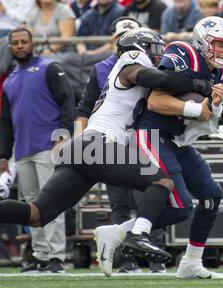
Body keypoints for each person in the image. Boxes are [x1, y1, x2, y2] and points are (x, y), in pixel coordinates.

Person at [0, 27, 211, 277]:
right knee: (161, 181)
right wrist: (199, 84)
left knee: (38, 214)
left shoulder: (128, 74)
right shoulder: (130, 61)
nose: (158, 54)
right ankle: (137, 235)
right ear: (137, 49)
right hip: (96, 144)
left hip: (82, 148)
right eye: (153, 48)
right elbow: (161, 79)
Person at [135, 16, 223, 279]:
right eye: (220, 44)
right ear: (203, 42)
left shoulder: (219, 72)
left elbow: (203, 117)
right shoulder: (184, 53)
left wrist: (216, 110)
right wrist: (199, 109)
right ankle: (124, 232)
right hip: (152, 132)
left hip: (177, 138)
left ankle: (191, 262)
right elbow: (156, 101)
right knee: (180, 207)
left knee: (212, 195)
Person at [76, 16, 166, 274]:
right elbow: (85, 108)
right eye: (120, 37)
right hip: (109, 140)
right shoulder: (103, 68)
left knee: (148, 197)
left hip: (142, 139)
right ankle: (127, 259)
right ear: (115, 41)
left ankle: (153, 255)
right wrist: (79, 142)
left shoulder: (150, 65)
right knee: (120, 202)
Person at [0, 28, 75, 273]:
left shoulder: (49, 68)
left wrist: (63, 136)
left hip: (48, 148)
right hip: (22, 152)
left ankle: (57, 257)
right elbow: (5, 121)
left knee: (51, 203)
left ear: (33, 43)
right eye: (15, 43)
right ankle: (40, 256)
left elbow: (68, 101)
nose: (20, 46)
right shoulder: (9, 80)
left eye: (24, 42)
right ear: (10, 47)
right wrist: (3, 155)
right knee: (31, 206)